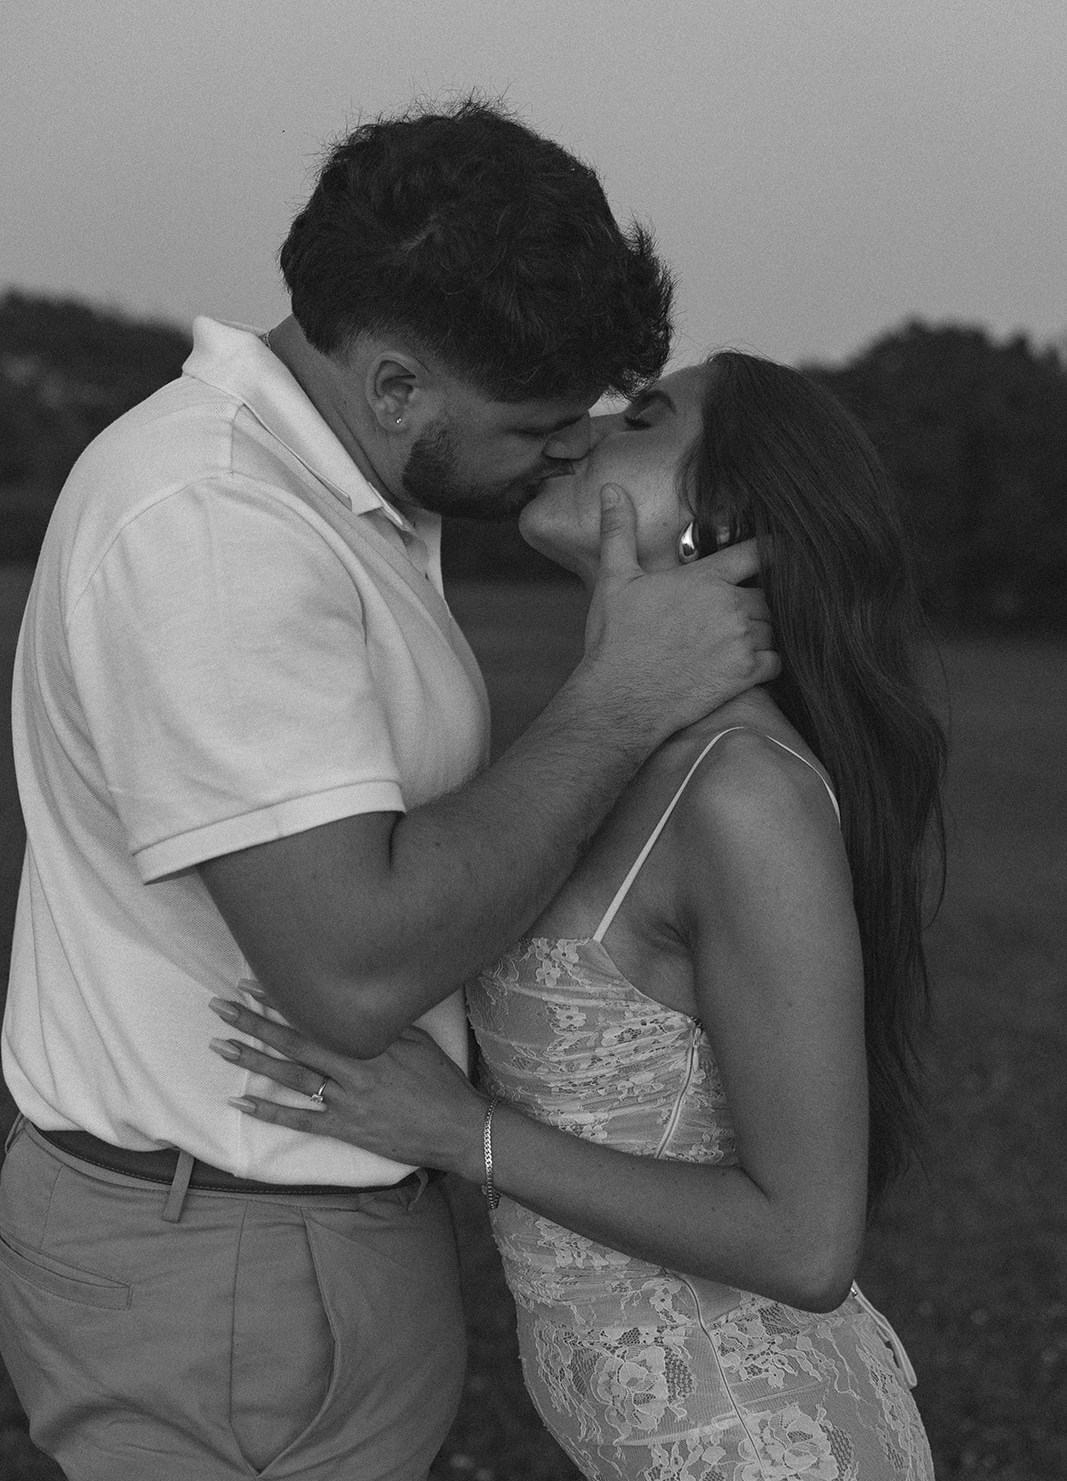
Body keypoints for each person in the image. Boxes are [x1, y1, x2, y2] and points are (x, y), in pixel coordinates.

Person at [0, 100, 776, 1481]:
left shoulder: (336, 495)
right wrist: (618, 700)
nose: (567, 449)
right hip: (231, 1264)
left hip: (283, 1233)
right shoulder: (217, 531)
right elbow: (349, 976)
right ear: (396, 389)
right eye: (537, 423)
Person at [210, 350, 947, 1480]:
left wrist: (461, 1133)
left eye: (641, 417)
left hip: (759, 1443)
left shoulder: (742, 790)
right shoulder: (616, 740)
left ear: (722, 518)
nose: (584, 428)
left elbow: (805, 1241)